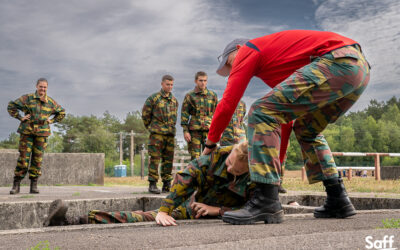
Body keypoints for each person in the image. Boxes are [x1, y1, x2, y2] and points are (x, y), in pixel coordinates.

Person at [203, 30, 370, 225]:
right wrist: (277, 169)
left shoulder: (249, 49)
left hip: (336, 62)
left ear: (238, 50)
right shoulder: (277, 66)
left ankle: (265, 202)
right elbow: (285, 120)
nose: (232, 69)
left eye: (230, 63)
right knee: (307, 129)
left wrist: (211, 143)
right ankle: (338, 198)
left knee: (260, 111)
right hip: (358, 69)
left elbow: (228, 103)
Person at [44, 142, 257, 227]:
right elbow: (185, 177)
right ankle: (72, 221)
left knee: (143, 218)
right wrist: (165, 210)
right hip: (190, 206)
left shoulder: (260, 176)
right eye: (230, 163)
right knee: (144, 216)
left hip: (212, 212)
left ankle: (71, 221)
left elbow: (257, 209)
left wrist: (218, 210)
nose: (229, 170)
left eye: (236, 171)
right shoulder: (216, 158)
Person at [7, 78, 65, 194]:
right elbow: (11, 106)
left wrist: (52, 121)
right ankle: (16, 184)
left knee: (37, 160)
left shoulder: (50, 102)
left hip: (42, 133)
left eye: (44, 87)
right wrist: (20, 117)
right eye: (41, 86)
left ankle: (33, 185)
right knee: (23, 159)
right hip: (27, 132)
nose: (42, 89)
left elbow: (62, 112)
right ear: (36, 86)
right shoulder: (27, 98)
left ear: (47, 88)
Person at [141, 75, 178, 194]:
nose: (170, 87)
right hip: (157, 134)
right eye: (168, 84)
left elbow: (174, 117)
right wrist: (152, 128)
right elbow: (145, 115)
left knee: (168, 159)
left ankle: (167, 184)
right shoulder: (154, 98)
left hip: (170, 134)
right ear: (162, 84)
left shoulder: (174, 101)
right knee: (155, 159)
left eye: (172, 85)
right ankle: (152, 184)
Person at [181, 71, 218, 160]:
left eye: (205, 80)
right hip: (195, 131)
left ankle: (208, 174)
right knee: (195, 158)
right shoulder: (190, 96)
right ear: (196, 81)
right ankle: (195, 174)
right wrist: (185, 131)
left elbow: (217, 114)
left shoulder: (212, 95)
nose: (203, 83)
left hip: (209, 131)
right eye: (201, 80)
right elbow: (184, 114)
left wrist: (217, 131)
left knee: (210, 156)